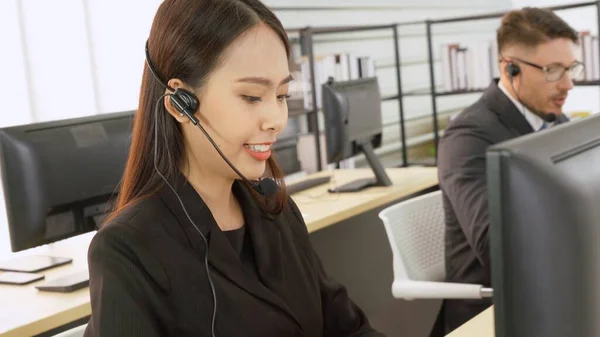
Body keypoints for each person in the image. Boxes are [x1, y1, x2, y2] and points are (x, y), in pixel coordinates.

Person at [83, 1, 385, 336]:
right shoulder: (129, 249)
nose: (276, 120)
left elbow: (349, 328)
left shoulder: (277, 212)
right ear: (181, 104)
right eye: (252, 97)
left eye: (282, 95)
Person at [437, 7, 582, 333]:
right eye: (554, 70)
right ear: (510, 68)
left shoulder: (551, 120)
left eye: (571, 68)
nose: (568, 84)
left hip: (556, 287)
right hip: (493, 309)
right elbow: (497, 246)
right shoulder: (468, 138)